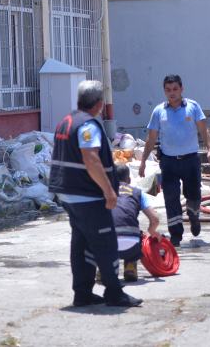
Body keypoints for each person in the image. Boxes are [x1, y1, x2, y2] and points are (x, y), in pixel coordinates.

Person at [48, 80, 141, 308]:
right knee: (105, 243)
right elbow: (90, 159)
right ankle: (114, 293)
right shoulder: (88, 125)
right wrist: (109, 189)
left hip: (68, 193)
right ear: (100, 104)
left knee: (81, 244)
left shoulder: (67, 121)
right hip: (87, 195)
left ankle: (82, 293)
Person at [138, 74, 210, 247]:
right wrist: (143, 161)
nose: (172, 93)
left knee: (194, 195)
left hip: (190, 160)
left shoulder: (193, 107)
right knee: (171, 198)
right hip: (169, 162)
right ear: (164, 91)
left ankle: (194, 216)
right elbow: (151, 139)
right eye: (168, 89)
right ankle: (176, 235)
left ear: (181, 89)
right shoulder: (159, 111)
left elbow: (204, 130)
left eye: (175, 89)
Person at [110, 163, 160, 282]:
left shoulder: (104, 192)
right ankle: (130, 266)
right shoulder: (138, 192)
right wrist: (152, 231)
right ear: (129, 179)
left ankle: (103, 268)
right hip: (131, 245)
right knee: (140, 234)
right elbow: (155, 219)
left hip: (107, 246)